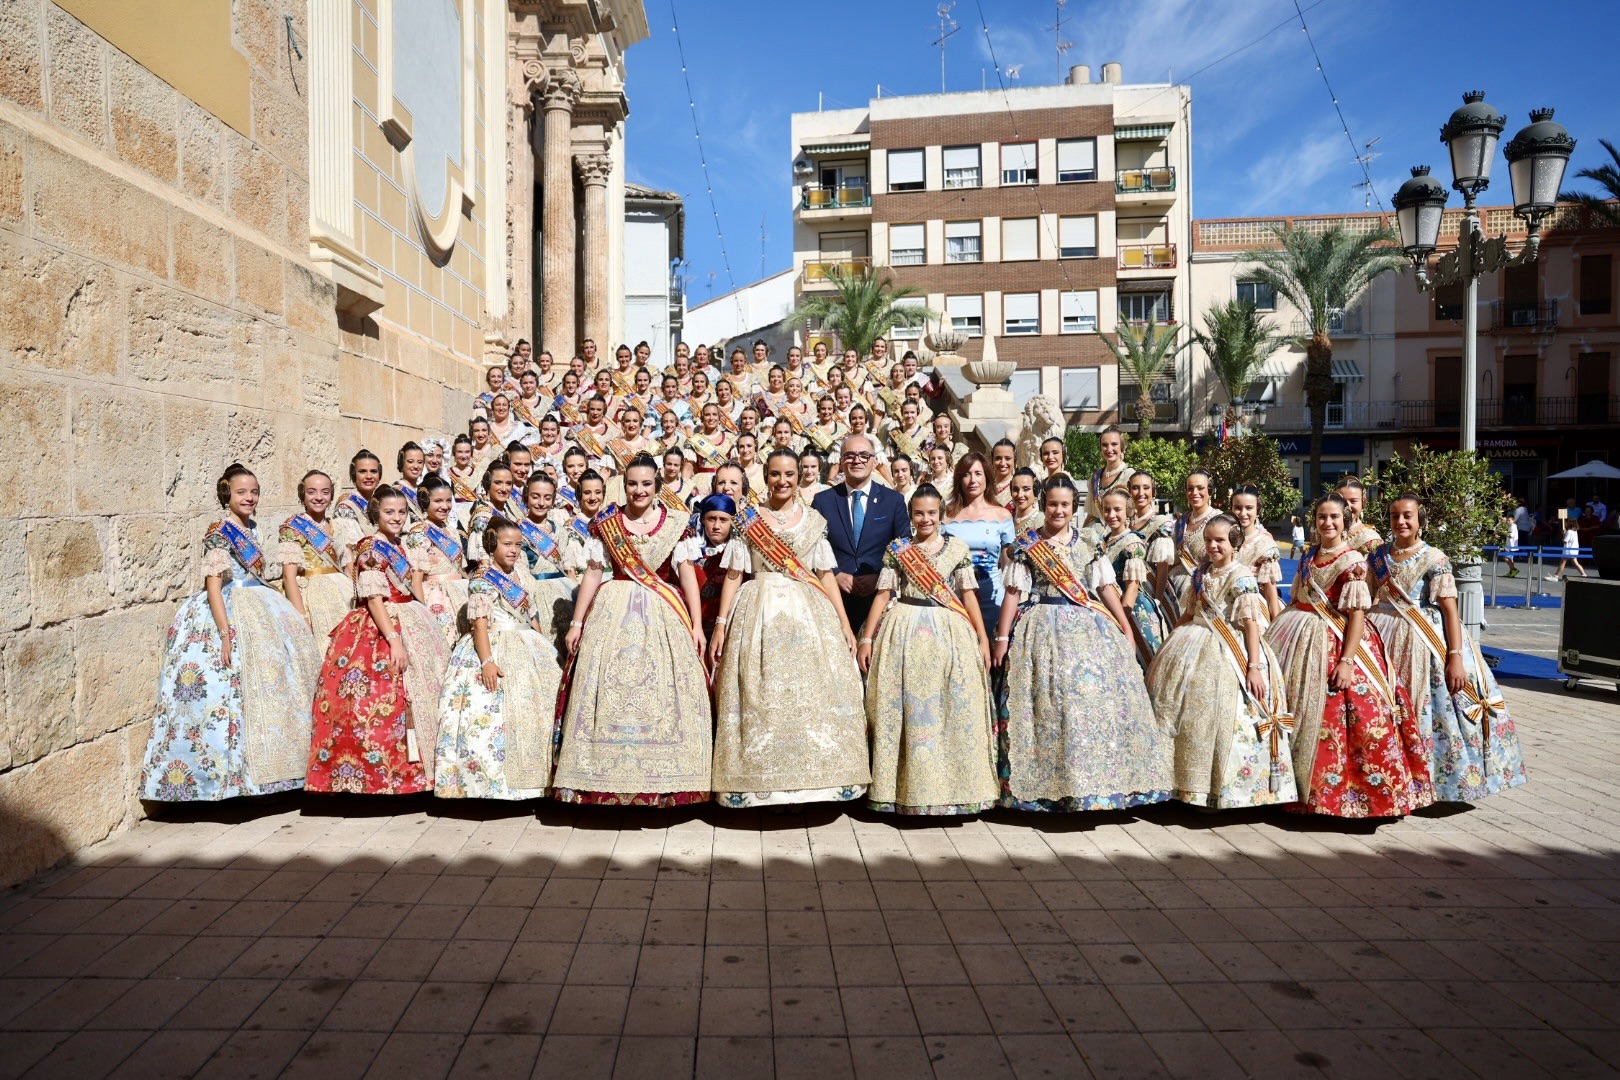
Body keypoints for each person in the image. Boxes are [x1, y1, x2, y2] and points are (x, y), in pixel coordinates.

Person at [140, 464, 320, 801]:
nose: (249, 498)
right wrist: (225, 633)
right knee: (230, 693)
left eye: (254, 492)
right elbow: (213, 587)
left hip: (261, 603)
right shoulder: (219, 533)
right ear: (227, 494)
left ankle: (278, 771)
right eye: (242, 492)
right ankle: (228, 780)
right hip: (229, 609)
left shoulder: (253, 528)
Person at [991, 476, 1170, 811]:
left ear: (1074, 508)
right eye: (1053, 504)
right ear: (1044, 505)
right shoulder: (1026, 544)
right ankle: (1046, 787)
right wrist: (1002, 638)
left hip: (1088, 627)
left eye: (1065, 505)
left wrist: (1124, 627)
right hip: (1040, 627)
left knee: (1089, 704)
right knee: (1048, 704)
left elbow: (1104, 588)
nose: (1058, 510)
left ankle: (1096, 785)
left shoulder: (1089, 542)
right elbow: (1013, 593)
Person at [710, 449, 869, 806]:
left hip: (807, 613)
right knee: (758, 692)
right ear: (765, 476)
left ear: (799, 478)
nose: (783, 482)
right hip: (758, 610)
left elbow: (825, 575)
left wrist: (844, 623)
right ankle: (754, 784)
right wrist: (721, 625)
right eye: (775, 474)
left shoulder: (812, 520)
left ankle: (818, 781)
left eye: (790, 475)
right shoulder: (748, 519)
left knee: (810, 692)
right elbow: (735, 574)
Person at [554, 457, 712, 806]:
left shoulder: (675, 523)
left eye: (646, 484)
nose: (639, 491)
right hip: (612, 610)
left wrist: (697, 625)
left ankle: (668, 780)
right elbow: (593, 572)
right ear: (623, 486)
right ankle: (598, 779)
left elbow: (686, 575)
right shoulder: (608, 523)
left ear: (657, 486)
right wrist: (578, 622)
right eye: (632, 484)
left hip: (663, 612)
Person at [1263, 494, 1430, 818]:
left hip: (1338, 642)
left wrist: (1346, 660)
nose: (1327, 523)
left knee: (1356, 714)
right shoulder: (1309, 556)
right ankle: (1292, 791)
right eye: (1322, 517)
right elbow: (1298, 596)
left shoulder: (1353, 561)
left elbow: (1356, 615)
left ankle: (1348, 798)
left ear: (1345, 521)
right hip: (1298, 638)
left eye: (1334, 518)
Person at [1368, 494, 1528, 802]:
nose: (1400, 521)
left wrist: (1455, 657)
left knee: (1423, 709)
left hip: (1422, 641)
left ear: (1420, 520)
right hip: (1381, 636)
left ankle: (1426, 783)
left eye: (1407, 516)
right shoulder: (1377, 556)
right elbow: (1371, 596)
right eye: (1394, 516)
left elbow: (1451, 611)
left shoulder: (1435, 559)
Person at [857, 485, 998, 816]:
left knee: (948, 708)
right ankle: (903, 790)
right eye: (919, 513)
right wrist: (867, 637)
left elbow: (967, 594)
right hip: (903, 629)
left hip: (948, 632)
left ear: (941, 515)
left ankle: (951, 792)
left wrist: (982, 636)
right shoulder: (899, 549)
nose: (925, 519)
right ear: (911, 515)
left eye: (931, 513)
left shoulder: (956, 549)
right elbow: (883, 592)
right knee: (906, 710)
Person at [306, 485, 452, 795]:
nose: (396, 518)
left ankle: (426, 771)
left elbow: (415, 586)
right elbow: (373, 598)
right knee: (381, 697)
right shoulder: (371, 548)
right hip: (381, 626)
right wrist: (394, 639)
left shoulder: (404, 545)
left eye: (401, 512)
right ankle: (387, 777)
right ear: (376, 514)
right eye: (389, 512)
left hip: (411, 616)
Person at [1145, 514, 1298, 809]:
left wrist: (1253, 667)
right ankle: (1182, 784)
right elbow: (1191, 611)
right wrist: (1172, 638)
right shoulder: (1201, 573)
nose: (1213, 546)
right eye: (1208, 540)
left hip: (1230, 651)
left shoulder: (1241, 576)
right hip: (1192, 641)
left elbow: (1251, 624)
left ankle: (1223, 788)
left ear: (1234, 542)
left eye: (1220, 541)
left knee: (1221, 713)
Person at [434, 517, 563, 800]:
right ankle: (494, 785)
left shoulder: (521, 576)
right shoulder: (482, 579)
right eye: (507, 544)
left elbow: (531, 615)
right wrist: (487, 661)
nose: (514, 550)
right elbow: (479, 623)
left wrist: (542, 643)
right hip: (493, 644)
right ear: (493, 545)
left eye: (518, 545)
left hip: (526, 642)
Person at [812, 434, 912, 633]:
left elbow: (905, 548)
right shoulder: (823, 501)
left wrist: (879, 577)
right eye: (849, 455)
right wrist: (835, 575)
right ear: (840, 462)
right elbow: (813, 547)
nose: (856, 460)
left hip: (879, 599)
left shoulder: (893, 501)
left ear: (875, 461)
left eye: (864, 455)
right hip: (835, 600)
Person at [942, 452, 1015, 635]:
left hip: (993, 597)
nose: (972, 480)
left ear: (987, 477)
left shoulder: (1002, 515)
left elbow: (1008, 567)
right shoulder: (946, 516)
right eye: (966, 474)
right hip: (956, 599)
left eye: (978, 473)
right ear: (959, 479)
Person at [279, 469, 351, 647]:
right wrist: (301, 616)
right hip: (310, 596)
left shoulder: (337, 526)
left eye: (325, 492)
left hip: (342, 592)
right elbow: (288, 576)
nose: (319, 497)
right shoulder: (294, 527)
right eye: (312, 492)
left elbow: (347, 566)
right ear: (302, 494)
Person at [1095, 489, 1162, 662]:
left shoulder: (1133, 543)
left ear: (1128, 511)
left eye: (1117, 509)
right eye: (1107, 510)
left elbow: (1132, 588)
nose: (1111, 515)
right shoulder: (1103, 540)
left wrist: (1122, 621)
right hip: (1109, 606)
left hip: (1131, 610)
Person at [403, 475, 468, 650]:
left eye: (448, 501)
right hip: (436, 597)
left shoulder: (452, 532)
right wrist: (422, 611)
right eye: (438, 501)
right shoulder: (419, 532)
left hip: (460, 594)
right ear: (425, 502)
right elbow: (416, 577)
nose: (444, 506)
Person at [673, 493, 739, 642]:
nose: (716, 526)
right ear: (703, 519)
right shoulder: (690, 549)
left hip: (730, 628)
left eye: (723, 520)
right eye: (711, 519)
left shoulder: (740, 552)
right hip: (695, 627)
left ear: (733, 522)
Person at [1165, 469, 1219, 618]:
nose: (1194, 492)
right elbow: (1172, 558)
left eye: (1200, 488)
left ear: (1210, 491)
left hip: (1202, 588)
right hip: (1173, 587)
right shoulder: (1181, 522)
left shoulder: (1219, 520)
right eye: (1190, 488)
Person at [1229, 485, 1285, 620]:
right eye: (1237, 508)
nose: (1243, 513)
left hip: (1252, 608)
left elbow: (1270, 587)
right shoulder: (1223, 538)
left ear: (1258, 510)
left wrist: (1275, 620)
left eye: (1249, 508)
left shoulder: (1264, 543)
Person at [1127, 471, 1175, 608]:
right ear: (1129, 490)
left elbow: (1162, 570)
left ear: (1153, 491)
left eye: (1146, 487)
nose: (1141, 492)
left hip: (1150, 592)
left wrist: (1157, 601)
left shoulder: (1161, 524)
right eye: (1135, 488)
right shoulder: (1125, 522)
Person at [467, 460, 519, 566]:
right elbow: (482, 557)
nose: (504, 489)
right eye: (498, 483)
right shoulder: (482, 516)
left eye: (508, 483)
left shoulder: (509, 511)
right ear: (487, 483)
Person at [333, 449, 383, 557]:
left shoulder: (383, 501)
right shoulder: (346, 507)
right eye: (362, 471)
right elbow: (349, 551)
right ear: (354, 474)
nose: (369, 476)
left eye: (373, 471)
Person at [1086, 426, 1132, 524]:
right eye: (1105, 445)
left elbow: (1134, 513)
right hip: (1095, 532)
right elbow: (1092, 515)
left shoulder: (1130, 476)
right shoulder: (1094, 478)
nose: (1109, 449)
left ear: (1122, 447)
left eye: (1114, 444)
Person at [1335, 475, 1382, 555]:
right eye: (1342, 501)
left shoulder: (1370, 539)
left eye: (1353, 501)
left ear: (1363, 503)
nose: (1348, 506)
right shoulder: (1327, 532)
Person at [396, 441, 427, 521]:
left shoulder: (423, 490)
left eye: (420, 462)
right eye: (410, 462)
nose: (416, 466)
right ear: (402, 463)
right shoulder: (396, 491)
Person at [1008, 467, 1044, 534]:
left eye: (1026, 489)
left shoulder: (1041, 521)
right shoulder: (1008, 519)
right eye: (1015, 489)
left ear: (1035, 491)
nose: (1020, 495)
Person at [1553, 514, 1587, 580]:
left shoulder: (1569, 531)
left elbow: (1565, 541)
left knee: (1562, 562)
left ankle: (1556, 576)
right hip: (1573, 550)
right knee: (1575, 563)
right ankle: (1584, 574)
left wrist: (1563, 535)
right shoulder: (1574, 531)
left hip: (1568, 550)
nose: (1565, 523)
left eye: (1567, 522)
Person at [988, 439, 1017, 507]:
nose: (1002, 463)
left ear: (1014, 461)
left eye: (1007, 458)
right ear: (992, 461)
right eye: (998, 458)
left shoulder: (1018, 486)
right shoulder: (985, 485)